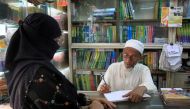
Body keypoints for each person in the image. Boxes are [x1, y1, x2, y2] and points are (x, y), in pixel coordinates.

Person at [5, 13, 116, 109]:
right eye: (55, 40)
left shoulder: (22, 66)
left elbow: (59, 98)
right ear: (41, 41)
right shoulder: (39, 75)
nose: (57, 45)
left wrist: (89, 100)